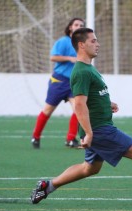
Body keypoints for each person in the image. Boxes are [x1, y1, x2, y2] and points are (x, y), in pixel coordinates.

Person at [30, 27, 132, 208]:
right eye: (93, 41)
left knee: (90, 168)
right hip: (99, 129)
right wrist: (89, 133)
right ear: (81, 45)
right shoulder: (82, 71)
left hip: (99, 126)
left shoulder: (88, 69)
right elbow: (79, 104)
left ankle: (47, 186)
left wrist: (107, 103)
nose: (97, 44)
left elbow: (90, 96)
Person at [31, 18, 85, 149]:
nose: (79, 26)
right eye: (76, 24)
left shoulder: (83, 44)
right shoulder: (63, 41)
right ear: (70, 27)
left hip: (74, 82)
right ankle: (35, 137)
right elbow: (53, 57)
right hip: (59, 81)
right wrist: (69, 58)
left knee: (78, 109)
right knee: (48, 110)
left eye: (81, 25)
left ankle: (71, 139)